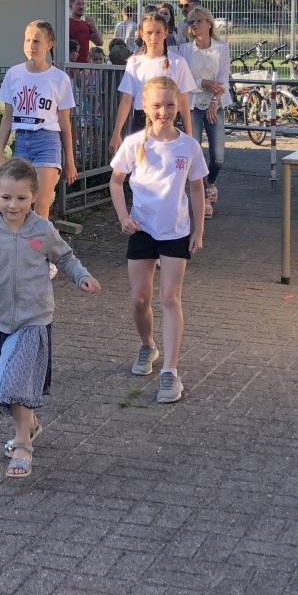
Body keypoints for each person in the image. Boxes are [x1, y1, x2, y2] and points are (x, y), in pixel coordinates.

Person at [0, 158, 100, 478]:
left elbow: (65, 257)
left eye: (21, 198)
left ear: (34, 197)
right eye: (6, 197)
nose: (12, 205)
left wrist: (81, 276)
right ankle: (28, 423)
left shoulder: (42, 229)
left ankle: (22, 445)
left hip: (34, 320)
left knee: (13, 380)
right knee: (3, 384)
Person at [110, 76, 207, 404]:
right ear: (144, 107)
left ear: (178, 106)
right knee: (140, 299)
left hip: (175, 232)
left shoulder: (189, 146)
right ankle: (147, 346)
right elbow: (116, 182)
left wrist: (198, 230)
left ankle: (170, 372)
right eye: (156, 105)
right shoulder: (134, 143)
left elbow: (196, 188)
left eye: (169, 105)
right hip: (141, 230)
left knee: (169, 298)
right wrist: (123, 217)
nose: (163, 111)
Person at [0, 20, 78, 219]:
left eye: (37, 41)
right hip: (21, 141)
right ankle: (21, 239)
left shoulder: (59, 78)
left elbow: (65, 123)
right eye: (27, 40)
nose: (31, 46)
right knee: (19, 204)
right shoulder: (13, 74)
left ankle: (40, 240)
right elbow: (7, 117)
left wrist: (69, 160)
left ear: (49, 44)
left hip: (46, 141)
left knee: (40, 207)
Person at [108, 10, 198, 153]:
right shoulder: (134, 63)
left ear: (165, 33)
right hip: (140, 122)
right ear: (141, 35)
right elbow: (126, 100)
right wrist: (116, 132)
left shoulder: (178, 62)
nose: (153, 37)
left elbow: (183, 102)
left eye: (158, 32)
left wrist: (189, 136)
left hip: (167, 121)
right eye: (149, 33)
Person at [181, 7, 231, 217]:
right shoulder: (185, 50)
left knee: (218, 157)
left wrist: (214, 102)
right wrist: (203, 82)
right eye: (191, 22)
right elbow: (183, 80)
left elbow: (223, 78)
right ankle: (203, 198)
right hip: (192, 105)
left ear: (209, 23)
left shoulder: (222, 47)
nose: (194, 25)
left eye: (198, 21)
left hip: (214, 104)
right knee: (195, 152)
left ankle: (211, 182)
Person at [66, 0, 103, 64]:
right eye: (78, 4)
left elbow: (100, 42)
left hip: (85, 65)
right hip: (72, 66)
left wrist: (94, 27)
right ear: (70, 7)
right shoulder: (66, 24)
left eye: (83, 4)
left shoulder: (86, 24)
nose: (81, 7)